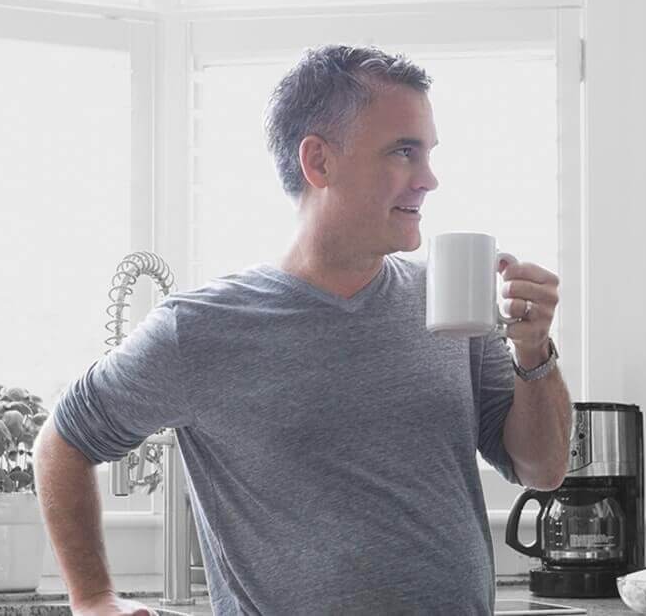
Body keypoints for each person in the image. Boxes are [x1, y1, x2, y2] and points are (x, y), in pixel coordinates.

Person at [34, 45, 573, 616]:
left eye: (428, 153)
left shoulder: (447, 302)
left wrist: (533, 349)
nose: (429, 179)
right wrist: (91, 598)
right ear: (319, 161)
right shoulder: (196, 330)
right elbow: (61, 444)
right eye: (403, 152)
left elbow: (542, 468)